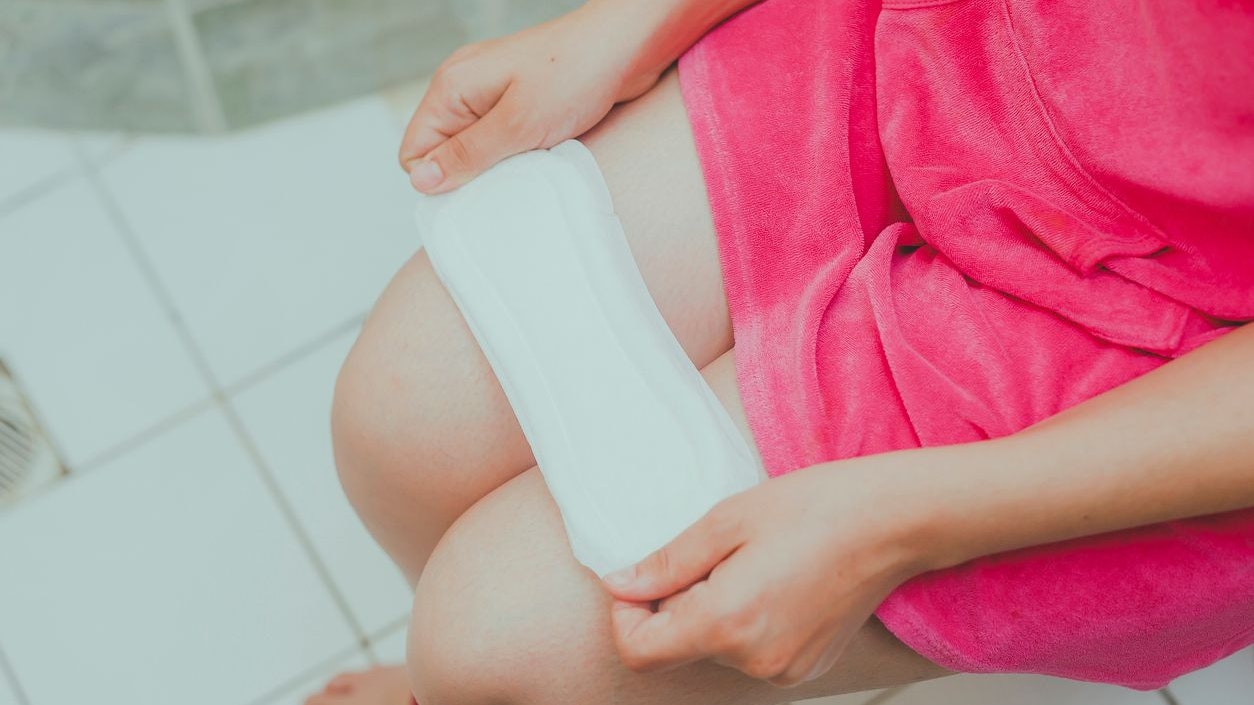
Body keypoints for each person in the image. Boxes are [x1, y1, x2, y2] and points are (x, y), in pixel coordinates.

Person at [305, 0, 1254, 703]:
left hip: (1173, 338)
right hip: (944, 37)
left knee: (497, 643)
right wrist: (623, 28)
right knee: (400, 413)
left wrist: (901, 522)